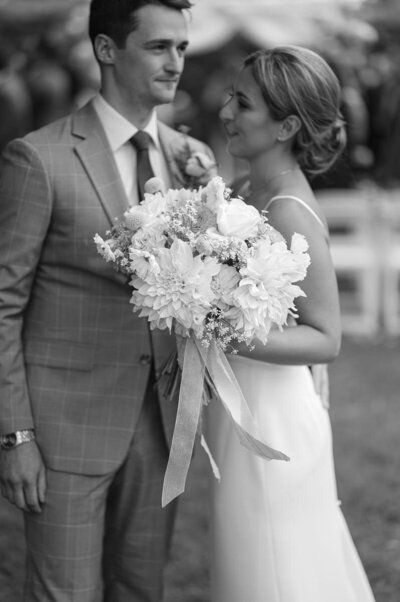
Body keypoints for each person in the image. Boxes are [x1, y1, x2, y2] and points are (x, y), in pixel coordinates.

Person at [0, 0, 215, 600]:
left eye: (181, 48)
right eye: (158, 47)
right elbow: (3, 303)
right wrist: (14, 437)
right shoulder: (37, 158)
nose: (175, 63)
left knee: (141, 591)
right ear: (106, 49)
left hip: (162, 425)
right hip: (63, 431)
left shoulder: (190, 160)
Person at [205, 46, 376, 602]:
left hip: (273, 419)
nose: (227, 111)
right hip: (243, 406)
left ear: (287, 125)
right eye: (232, 96)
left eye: (244, 103)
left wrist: (222, 328)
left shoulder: (287, 209)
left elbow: (326, 337)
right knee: (249, 560)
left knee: (277, 568)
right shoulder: (245, 193)